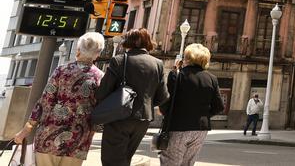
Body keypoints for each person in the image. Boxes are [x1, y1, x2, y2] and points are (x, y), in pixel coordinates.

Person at [11, 32, 106, 166]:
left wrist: (26, 130)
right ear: (98, 53)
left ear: (78, 50)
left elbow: (45, 101)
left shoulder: (61, 71)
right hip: (78, 140)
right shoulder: (100, 77)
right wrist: (90, 135)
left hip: (48, 135)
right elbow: (99, 110)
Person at [95, 28, 170, 166]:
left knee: (112, 160)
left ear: (128, 42)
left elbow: (102, 92)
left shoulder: (119, 61)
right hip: (143, 120)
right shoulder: (158, 64)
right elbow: (163, 96)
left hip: (118, 117)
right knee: (126, 159)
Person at [157, 44, 225, 166]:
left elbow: (166, 99)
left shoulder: (176, 75)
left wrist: (163, 111)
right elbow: (219, 106)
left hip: (178, 126)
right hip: (200, 129)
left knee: (170, 161)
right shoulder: (212, 78)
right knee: (188, 163)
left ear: (187, 58)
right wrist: (204, 115)